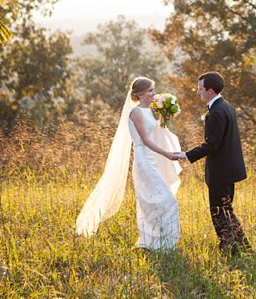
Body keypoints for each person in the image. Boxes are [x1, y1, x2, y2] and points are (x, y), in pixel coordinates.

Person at [76, 77, 183, 250]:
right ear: (140, 94)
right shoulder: (136, 112)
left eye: (153, 90)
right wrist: (167, 154)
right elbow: (146, 140)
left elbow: (156, 132)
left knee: (157, 201)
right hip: (144, 161)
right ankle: (155, 242)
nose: (154, 93)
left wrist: (164, 117)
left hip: (153, 160)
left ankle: (158, 242)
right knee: (162, 200)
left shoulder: (148, 111)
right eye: (150, 90)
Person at [173, 71, 250, 255]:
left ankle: (229, 250)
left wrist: (186, 155)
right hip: (229, 170)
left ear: (210, 91)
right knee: (226, 210)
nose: (198, 92)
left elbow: (212, 144)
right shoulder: (227, 106)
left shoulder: (216, 112)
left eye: (201, 88)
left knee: (219, 212)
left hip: (221, 172)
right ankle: (243, 248)